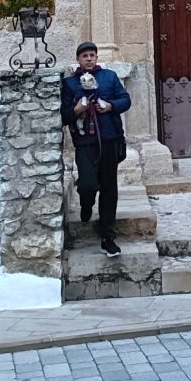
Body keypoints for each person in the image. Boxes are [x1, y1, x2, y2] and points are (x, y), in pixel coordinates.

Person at [61, 41, 131, 257]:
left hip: (109, 139)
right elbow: (63, 115)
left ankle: (107, 236)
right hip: (85, 142)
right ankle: (86, 203)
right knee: (88, 183)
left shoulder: (109, 77)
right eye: (85, 56)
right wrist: (77, 109)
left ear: (96, 58)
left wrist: (110, 106)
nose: (89, 59)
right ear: (78, 60)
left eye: (92, 55)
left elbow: (125, 100)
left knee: (109, 188)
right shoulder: (70, 83)